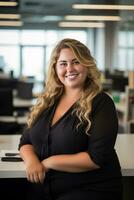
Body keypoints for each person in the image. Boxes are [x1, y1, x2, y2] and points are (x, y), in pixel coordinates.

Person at [18, 38, 123, 200]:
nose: (69, 69)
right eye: (63, 64)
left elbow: (96, 158)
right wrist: (32, 162)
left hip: (90, 188)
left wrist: (48, 163)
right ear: (55, 68)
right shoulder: (46, 100)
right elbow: (26, 141)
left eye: (76, 62)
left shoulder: (102, 102)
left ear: (87, 65)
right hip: (45, 187)